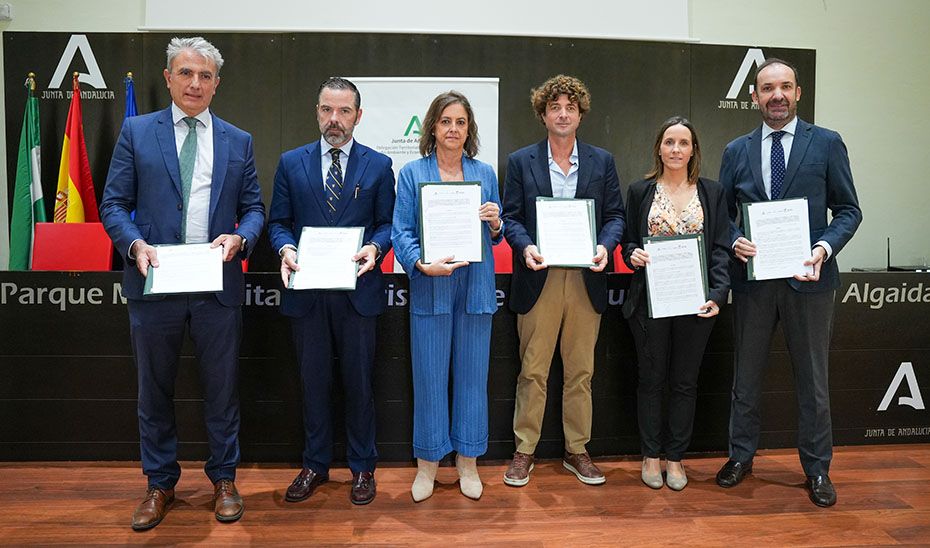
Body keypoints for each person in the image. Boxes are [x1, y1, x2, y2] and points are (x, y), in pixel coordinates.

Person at [100, 36, 265, 530]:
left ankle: (224, 478)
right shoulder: (135, 132)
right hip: (154, 282)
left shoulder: (239, 140)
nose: (195, 83)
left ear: (217, 84)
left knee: (222, 390)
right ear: (169, 77)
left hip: (216, 285)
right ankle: (159, 483)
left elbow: (255, 209)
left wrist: (240, 240)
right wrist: (134, 246)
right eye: (186, 73)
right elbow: (112, 204)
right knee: (154, 390)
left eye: (205, 76)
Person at [716, 58, 862, 507]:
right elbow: (722, 217)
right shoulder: (736, 150)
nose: (776, 95)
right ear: (754, 96)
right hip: (754, 283)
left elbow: (849, 211)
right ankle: (741, 456)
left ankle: (817, 469)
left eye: (784, 87)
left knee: (814, 381)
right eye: (766, 88)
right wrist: (736, 238)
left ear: (798, 93)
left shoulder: (828, 143)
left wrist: (822, 249)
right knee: (746, 376)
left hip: (810, 280)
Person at [268, 77, 395, 506]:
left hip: (358, 292)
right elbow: (278, 222)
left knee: (359, 384)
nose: (334, 120)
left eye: (344, 111)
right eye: (327, 110)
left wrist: (376, 247)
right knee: (313, 383)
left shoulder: (378, 165)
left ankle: (363, 469)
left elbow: (387, 224)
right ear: (317, 112)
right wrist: (284, 248)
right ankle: (315, 464)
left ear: (358, 116)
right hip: (307, 293)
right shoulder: (290, 162)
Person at [501, 74, 625, 487]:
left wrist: (606, 245)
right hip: (540, 277)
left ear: (580, 114)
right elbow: (512, 217)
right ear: (543, 114)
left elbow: (616, 217)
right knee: (533, 370)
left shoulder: (602, 161)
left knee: (580, 371)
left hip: (587, 278)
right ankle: (524, 450)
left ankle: (577, 449)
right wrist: (525, 247)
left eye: (570, 107)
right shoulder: (522, 161)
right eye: (555, 107)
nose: (563, 113)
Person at [391, 91, 503, 502]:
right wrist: (419, 263)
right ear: (433, 128)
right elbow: (400, 231)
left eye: (460, 121)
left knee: (473, 380)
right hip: (430, 284)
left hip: (475, 286)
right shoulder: (412, 173)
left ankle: (468, 464)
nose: (453, 128)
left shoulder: (485, 172)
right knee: (430, 379)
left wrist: (495, 224)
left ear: (469, 128)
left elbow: (498, 230)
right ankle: (428, 466)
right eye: (445, 121)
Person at [620, 116, 730, 491]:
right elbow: (628, 243)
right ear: (659, 148)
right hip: (650, 303)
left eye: (684, 143)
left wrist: (717, 294)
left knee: (685, 383)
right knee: (651, 381)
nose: (676, 150)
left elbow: (720, 248)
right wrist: (632, 254)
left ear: (694, 150)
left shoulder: (712, 193)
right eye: (669, 142)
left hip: (696, 304)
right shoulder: (640, 191)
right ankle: (651, 455)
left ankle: (676, 457)